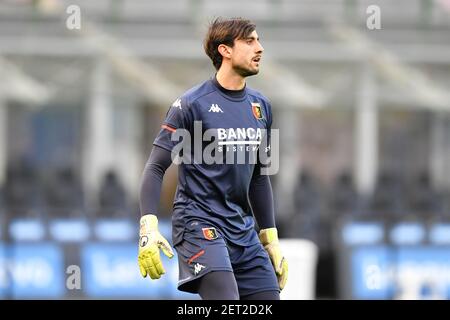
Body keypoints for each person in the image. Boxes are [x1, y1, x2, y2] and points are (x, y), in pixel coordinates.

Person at [138, 17, 287, 300]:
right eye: (250, 41)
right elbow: (156, 166)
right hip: (198, 224)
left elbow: (259, 176)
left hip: (243, 231)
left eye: (259, 40)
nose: (260, 48)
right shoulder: (191, 104)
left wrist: (270, 237)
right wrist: (148, 225)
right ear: (225, 51)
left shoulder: (262, 106)